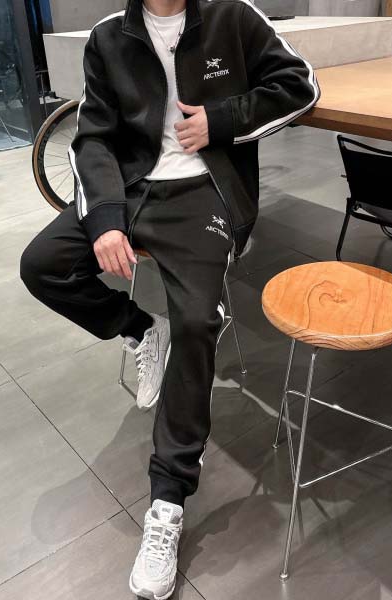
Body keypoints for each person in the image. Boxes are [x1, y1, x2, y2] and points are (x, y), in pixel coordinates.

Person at [20, 0, 320, 597]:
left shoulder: (233, 18)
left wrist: (223, 119)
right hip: (130, 189)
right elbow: (93, 138)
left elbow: (301, 85)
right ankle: (138, 327)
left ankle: (168, 499)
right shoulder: (109, 36)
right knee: (43, 265)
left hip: (203, 191)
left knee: (196, 323)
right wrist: (105, 218)